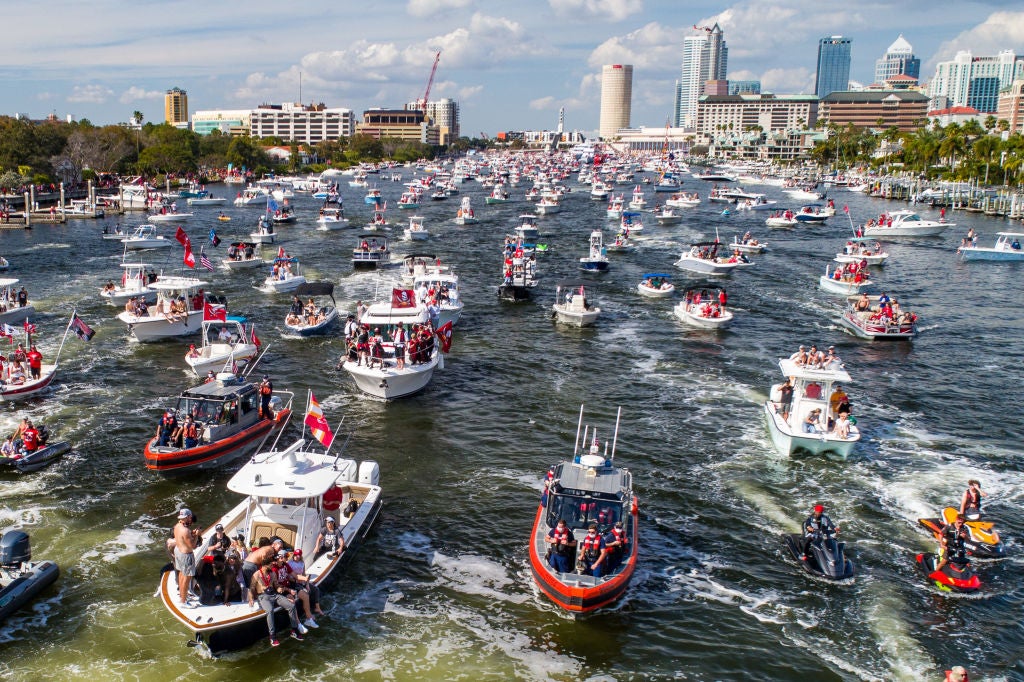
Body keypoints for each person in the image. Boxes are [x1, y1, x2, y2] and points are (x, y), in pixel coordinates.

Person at [249, 559, 303, 646]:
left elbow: (276, 585)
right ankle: (272, 636)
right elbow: (251, 587)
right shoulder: (256, 574)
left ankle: (294, 630)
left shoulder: (272, 573)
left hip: (274, 594)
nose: (272, 565)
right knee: (270, 611)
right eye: (271, 564)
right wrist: (251, 598)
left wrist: (279, 589)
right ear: (264, 565)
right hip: (263, 596)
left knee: (291, 606)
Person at [174, 508, 200, 607]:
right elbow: (192, 546)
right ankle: (183, 602)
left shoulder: (177, 526)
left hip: (178, 551)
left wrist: (191, 534)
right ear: (188, 516)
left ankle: (182, 596)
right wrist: (196, 535)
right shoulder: (185, 530)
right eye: (190, 517)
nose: (190, 518)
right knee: (186, 578)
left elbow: (183, 538)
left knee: (181, 574)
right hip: (186, 555)